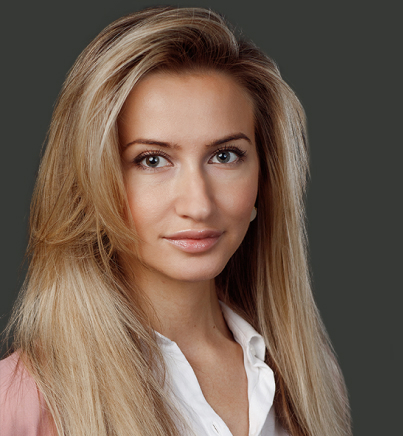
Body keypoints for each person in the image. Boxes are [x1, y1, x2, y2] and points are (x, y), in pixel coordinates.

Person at [0, 6, 352, 436]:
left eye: (225, 156)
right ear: (88, 181)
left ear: (265, 179)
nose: (199, 205)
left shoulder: (313, 379)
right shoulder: (21, 401)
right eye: (152, 160)